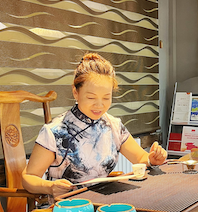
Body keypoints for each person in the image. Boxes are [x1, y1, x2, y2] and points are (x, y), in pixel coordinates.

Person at [22, 52, 167, 198]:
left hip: (104, 202)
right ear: (75, 92)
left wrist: (152, 159)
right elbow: (29, 178)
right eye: (91, 97)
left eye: (106, 98)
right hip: (67, 207)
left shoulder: (114, 126)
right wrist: (50, 187)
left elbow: (141, 158)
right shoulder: (55, 131)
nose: (99, 105)